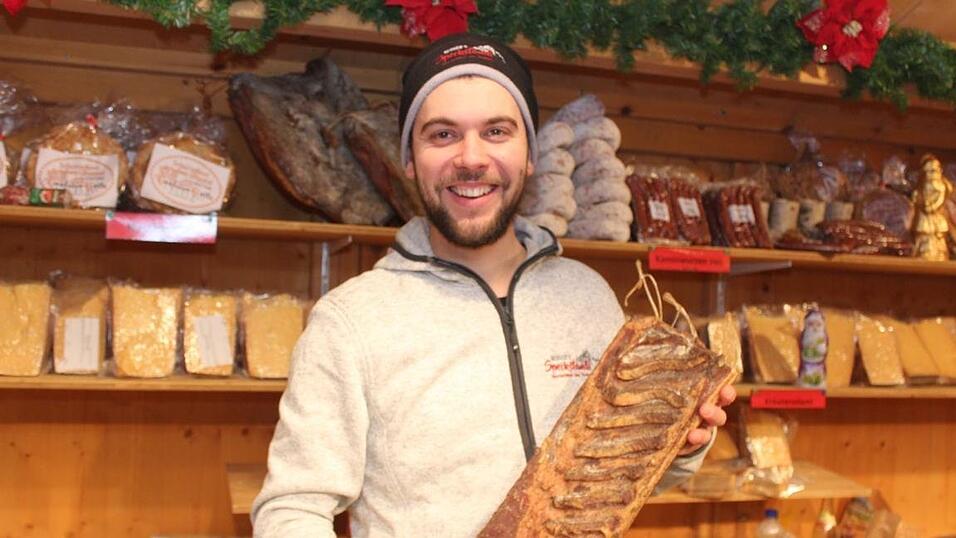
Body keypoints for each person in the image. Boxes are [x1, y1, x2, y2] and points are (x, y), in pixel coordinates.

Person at [251, 32, 735, 537]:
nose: (471, 157)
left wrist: (683, 442)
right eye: (442, 134)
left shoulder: (587, 296)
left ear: (529, 154)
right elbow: (292, 510)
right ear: (410, 160)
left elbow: (618, 481)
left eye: (497, 131)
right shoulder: (352, 321)